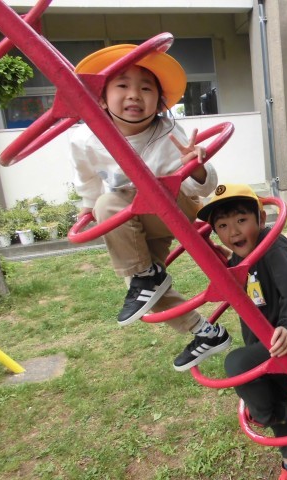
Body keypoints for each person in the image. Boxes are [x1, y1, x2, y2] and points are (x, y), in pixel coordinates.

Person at [69, 44, 231, 371]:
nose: (134, 94)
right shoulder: (86, 139)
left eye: (145, 88)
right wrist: (87, 207)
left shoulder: (167, 133)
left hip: (174, 210)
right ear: (101, 98)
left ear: (159, 102)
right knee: (141, 291)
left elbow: (201, 188)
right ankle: (205, 332)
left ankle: (147, 275)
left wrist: (196, 166)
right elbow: (87, 178)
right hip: (133, 221)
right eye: (122, 85)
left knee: (109, 203)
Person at [196, 184, 287, 480]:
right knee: (274, 396)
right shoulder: (236, 261)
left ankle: (269, 414)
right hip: (268, 344)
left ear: (261, 219)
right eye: (222, 226)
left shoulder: (272, 244)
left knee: (236, 364)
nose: (233, 232)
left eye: (241, 220)